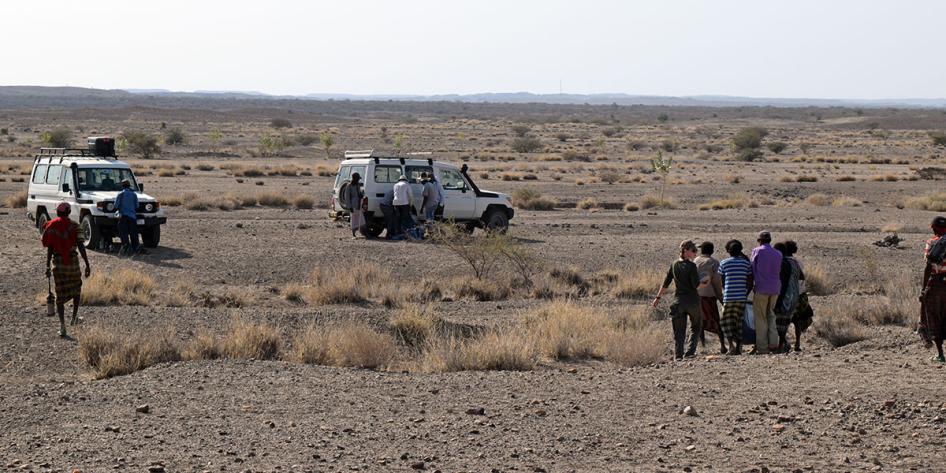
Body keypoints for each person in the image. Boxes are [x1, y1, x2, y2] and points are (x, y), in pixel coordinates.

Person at [653, 240, 709, 360]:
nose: (695, 253)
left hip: (678, 302)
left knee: (678, 331)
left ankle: (678, 355)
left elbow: (666, 283)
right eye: (693, 250)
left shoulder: (673, 265)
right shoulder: (691, 266)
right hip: (693, 301)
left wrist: (657, 297)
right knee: (696, 327)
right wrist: (705, 283)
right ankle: (690, 352)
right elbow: (696, 285)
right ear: (686, 251)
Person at [42, 202, 91, 337]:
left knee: (59, 295)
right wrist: (87, 264)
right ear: (69, 212)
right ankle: (74, 318)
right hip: (72, 263)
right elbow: (81, 246)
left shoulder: (51, 225)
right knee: (76, 289)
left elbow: (50, 247)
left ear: (58, 213)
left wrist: (47, 265)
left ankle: (62, 326)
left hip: (58, 264)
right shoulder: (75, 226)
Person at [718, 240, 753, 355]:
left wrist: (725, 290)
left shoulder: (724, 263)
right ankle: (738, 347)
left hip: (728, 297)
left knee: (725, 322)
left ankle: (731, 346)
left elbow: (722, 281)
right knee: (738, 322)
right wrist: (745, 293)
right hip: (741, 298)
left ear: (728, 251)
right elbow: (750, 281)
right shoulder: (746, 264)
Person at [750, 231, 783, 354]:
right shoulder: (778, 253)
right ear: (770, 240)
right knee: (771, 315)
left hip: (761, 288)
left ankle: (762, 347)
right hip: (775, 288)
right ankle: (773, 343)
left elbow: (752, 268)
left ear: (759, 240)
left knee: (760, 317)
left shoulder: (757, 251)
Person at [920, 216, 946, 362]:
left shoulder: (931, 242)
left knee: (933, 316)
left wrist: (924, 290)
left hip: (936, 284)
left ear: (934, 228)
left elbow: (928, 265)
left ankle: (940, 355)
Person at [694, 241, 727, 354]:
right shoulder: (713, 262)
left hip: (697, 296)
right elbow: (717, 282)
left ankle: (702, 345)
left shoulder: (696, 261)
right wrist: (720, 298)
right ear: (712, 251)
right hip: (709, 296)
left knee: (700, 321)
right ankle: (723, 345)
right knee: (715, 320)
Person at [774, 241, 805, 353]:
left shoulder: (784, 262)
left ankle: (781, 345)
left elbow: (783, 281)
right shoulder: (795, 262)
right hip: (796, 294)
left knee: (782, 321)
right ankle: (797, 343)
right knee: (796, 320)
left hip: (786, 294)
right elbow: (802, 276)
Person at [114, 179, 139, 255]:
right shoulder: (134, 194)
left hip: (123, 216)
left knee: (124, 233)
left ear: (122, 185)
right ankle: (135, 248)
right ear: (129, 185)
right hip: (132, 217)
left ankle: (125, 248)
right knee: (133, 233)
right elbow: (137, 206)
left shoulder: (120, 194)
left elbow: (116, 206)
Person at [346, 173, 365, 238]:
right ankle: (353, 233)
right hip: (353, 205)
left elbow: (359, 193)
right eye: (357, 178)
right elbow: (347, 197)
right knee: (354, 220)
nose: (358, 180)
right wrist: (349, 207)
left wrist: (361, 195)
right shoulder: (349, 186)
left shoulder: (357, 185)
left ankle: (363, 232)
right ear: (354, 178)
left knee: (361, 219)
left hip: (359, 204)